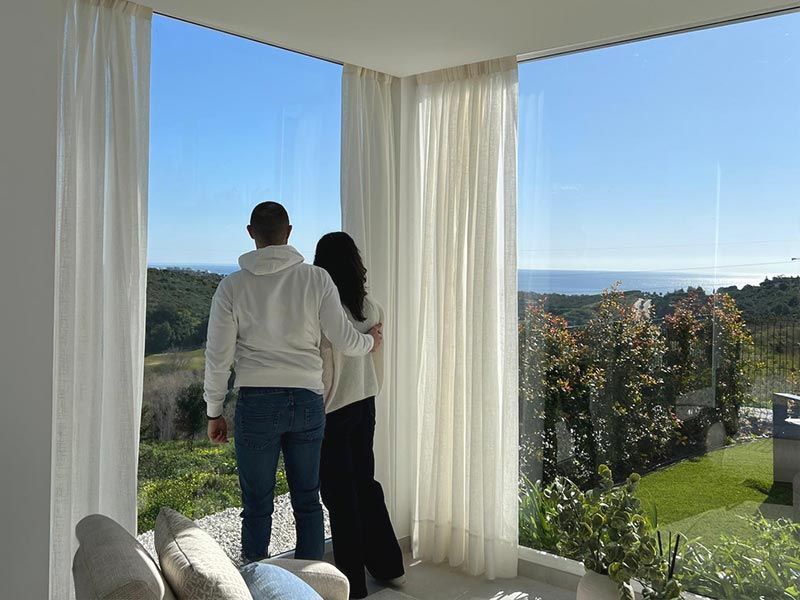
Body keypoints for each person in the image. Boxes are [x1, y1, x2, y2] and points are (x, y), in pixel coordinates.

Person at [203, 202, 383, 563]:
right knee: (307, 499)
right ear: (289, 232)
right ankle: (313, 581)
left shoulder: (232, 286)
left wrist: (214, 411)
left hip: (257, 403)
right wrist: (371, 342)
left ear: (251, 233)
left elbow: (218, 356)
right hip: (307, 401)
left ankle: (257, 579)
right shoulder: (317, 279)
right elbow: (344, 340)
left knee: (257, 504)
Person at [314, 232, 405, 599]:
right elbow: (375, 357)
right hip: (366, 404)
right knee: (365, 485)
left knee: (340, 497)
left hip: (334, 409)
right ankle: (388, 564)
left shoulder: (323, 309)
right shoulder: (372, 307)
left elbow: (322, 363)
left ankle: (352, 583)